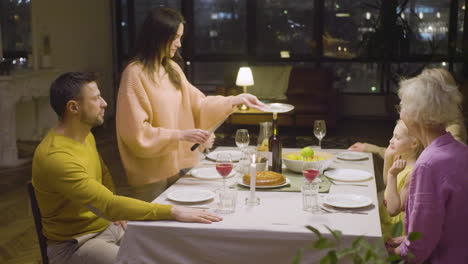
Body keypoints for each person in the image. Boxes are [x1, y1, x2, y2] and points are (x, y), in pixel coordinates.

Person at [32, 72, 222, 264]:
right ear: (73, 107)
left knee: (171, 248)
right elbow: (108, 204)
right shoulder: (56, 156)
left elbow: (103, 175)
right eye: (96, 98)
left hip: (108, 227)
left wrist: (116, 216)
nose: (104, 103)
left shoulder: (84, 136)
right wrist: (173, 211)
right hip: (76, 244)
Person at [116, 7, 264, 202]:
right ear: (157, 37)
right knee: (152, 226)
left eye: (180, 37)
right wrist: (180, 135)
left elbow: (200, 104)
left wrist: (235, 100)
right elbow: (136, 133)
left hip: (176, 165)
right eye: (174, 38)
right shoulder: (134, 74)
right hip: (150, 171)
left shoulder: (172, 69)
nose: (178, 44)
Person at [385, 71, 468, 263]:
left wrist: (399, 252)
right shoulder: (461, 150)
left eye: (402, 106)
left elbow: (420, 245)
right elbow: (447, 220)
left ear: (416, 115)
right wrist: (407, 240)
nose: (400, 112)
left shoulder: (428, 164)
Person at [348, 68, 466, 157]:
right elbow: (406, 152)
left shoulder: (452, 131)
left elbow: (447, 162)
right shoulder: (431, 121)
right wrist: (370, 148)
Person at [378, 120, 422, 241]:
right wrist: (388, 158)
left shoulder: (412, 172)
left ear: (413, 144)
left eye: (397, 138)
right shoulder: (400, 161)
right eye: (393, 135)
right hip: (385, 217)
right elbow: (388, 185)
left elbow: (394, 209)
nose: (391, 140)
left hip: (395, 226)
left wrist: (392, 174)